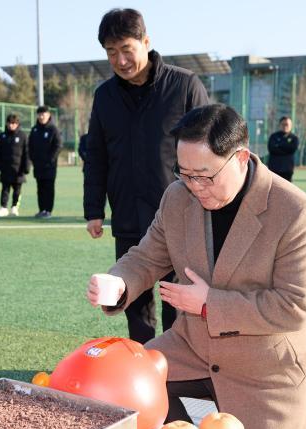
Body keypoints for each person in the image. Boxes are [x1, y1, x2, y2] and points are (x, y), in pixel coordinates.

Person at [86, 104, 306, 429]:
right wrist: (121, 282)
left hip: (266, 364)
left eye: (205, 176)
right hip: (194, 344)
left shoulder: (297, 212)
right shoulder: (177, 197)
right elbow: (147, 255)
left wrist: (208, 304)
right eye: (184, 174)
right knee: (121, 383)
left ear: (240, 158)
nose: (195, 187)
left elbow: (293, 307)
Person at [83, 8, 209, 344]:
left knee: (177, 300)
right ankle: (141, 359)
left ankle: (177, 364)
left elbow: (210, 149)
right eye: (111, 53)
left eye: (126, 49)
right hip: (127, 213)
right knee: (132, 295)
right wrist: (93, 209)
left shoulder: (184, 86)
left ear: (146, 41)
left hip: (180, 216)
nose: (120, 60)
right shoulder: (105, 97)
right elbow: (95, 154)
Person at [29, 105, 62, 218]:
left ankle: (48, 210)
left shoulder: (53, 129)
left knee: (48, 188)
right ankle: (41, 209)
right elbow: (30, 146)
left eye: (43, 114)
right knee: (40, 188)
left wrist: (50, 159)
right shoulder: (34, 129)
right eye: (39, 114)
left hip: (50, 166)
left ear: (48, 115)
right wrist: (33, 159)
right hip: (38, 165)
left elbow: (58, 146)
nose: (41, 116)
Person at [0, 114, 29, 217]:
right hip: (5, 169)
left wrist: (26, 167)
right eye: (9, 123)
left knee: (17, 190)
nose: (11, 125)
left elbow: (27, 152)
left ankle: (14, 207)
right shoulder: (2, 136)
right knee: (5, 189)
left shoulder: (23, 136)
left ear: (17, 124)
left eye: (13, 123)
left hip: (18, 169)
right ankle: (3, 207)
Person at [267, 116, 300, 181]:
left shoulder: (294, 138)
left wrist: (279, 146)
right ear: (280, 125)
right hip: (274, 168)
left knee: (287, 190)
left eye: (287, 124)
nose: (285, 126)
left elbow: (292, 149)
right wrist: (286, 148)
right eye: (283, 124)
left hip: (287, 169)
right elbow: (271, 149)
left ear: (291, 125)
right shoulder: (273, 136)